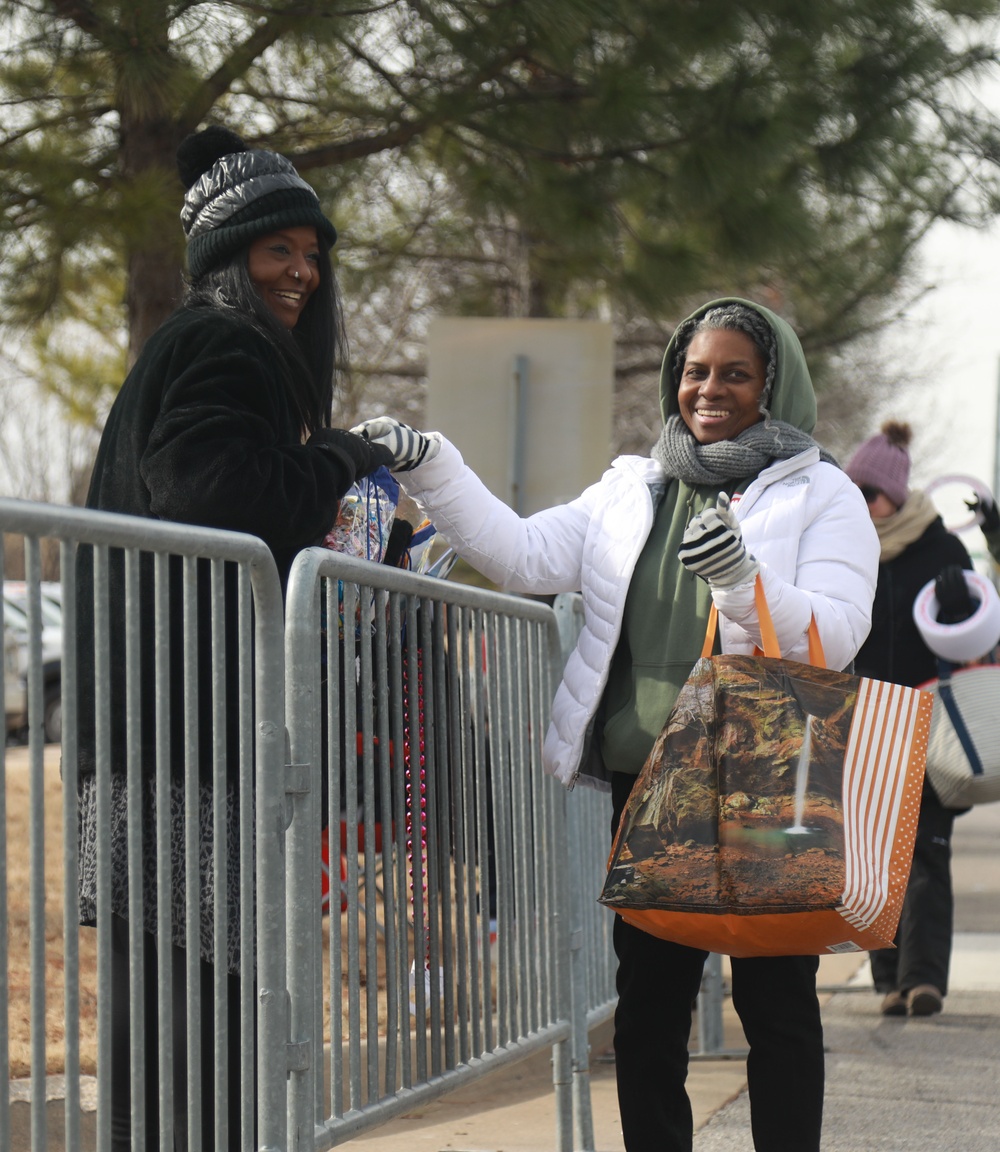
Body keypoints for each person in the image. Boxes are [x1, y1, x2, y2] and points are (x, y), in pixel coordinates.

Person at [352, 297, 879, 1152]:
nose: (708, 389)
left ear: (773, 387)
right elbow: (522, 553)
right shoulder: (632, 487)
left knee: (776, 1006)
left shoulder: (825, 493)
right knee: (648, 1015)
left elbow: (839, 630)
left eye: (734, 374)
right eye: (695, 370)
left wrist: (746, 582)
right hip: (652, 788)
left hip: (761, 779)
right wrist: (431, 465)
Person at [75, 125, 393, 1150]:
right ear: (227, 256)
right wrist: (339, 459)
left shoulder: (188, 340)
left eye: (310, 252)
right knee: (196, 1018)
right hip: (181, 734)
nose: (301, 272)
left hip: (148, 726)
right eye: (276, 252)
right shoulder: (225, 341)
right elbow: (216, 491)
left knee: (172, 1012)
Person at [845, 420, 973, 1017]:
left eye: (868, 494)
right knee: (872, 857)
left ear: (896, 493)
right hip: (864, 720)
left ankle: (923, 980)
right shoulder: (844, 546)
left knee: (927, 851)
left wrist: (961, 603)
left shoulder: (942, 548)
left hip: (930, 718)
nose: (862, 505)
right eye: (854, 494)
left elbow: (979, 638)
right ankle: (888, 978)